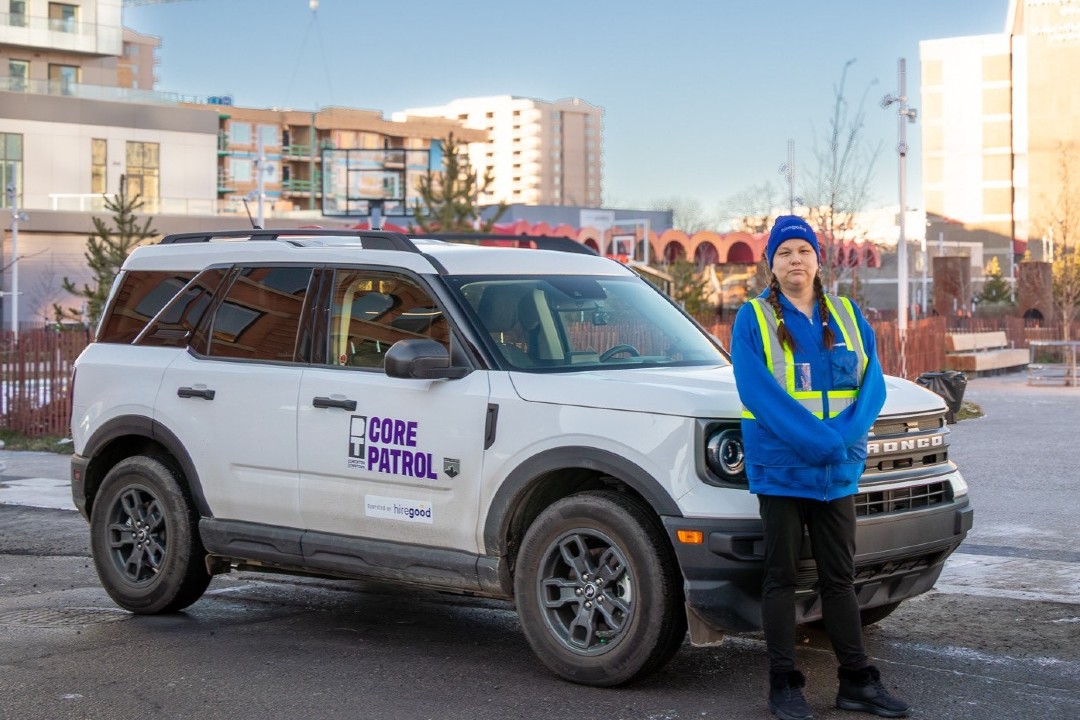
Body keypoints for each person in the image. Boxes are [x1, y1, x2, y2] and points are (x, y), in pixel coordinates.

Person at [731, 215, 911, 720]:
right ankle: (783, 684)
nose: (795, 260)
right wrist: (819, 443)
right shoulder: (754, 318)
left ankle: (856, 683)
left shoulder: (849, 315)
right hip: (784, 470)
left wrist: (842, 441)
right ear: (771, 262)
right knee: (781, 578)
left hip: (837, 473)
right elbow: (757, 392)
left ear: (817, 258)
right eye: (785, 252)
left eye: (803, 251)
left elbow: (873, 385)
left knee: (839, 579)